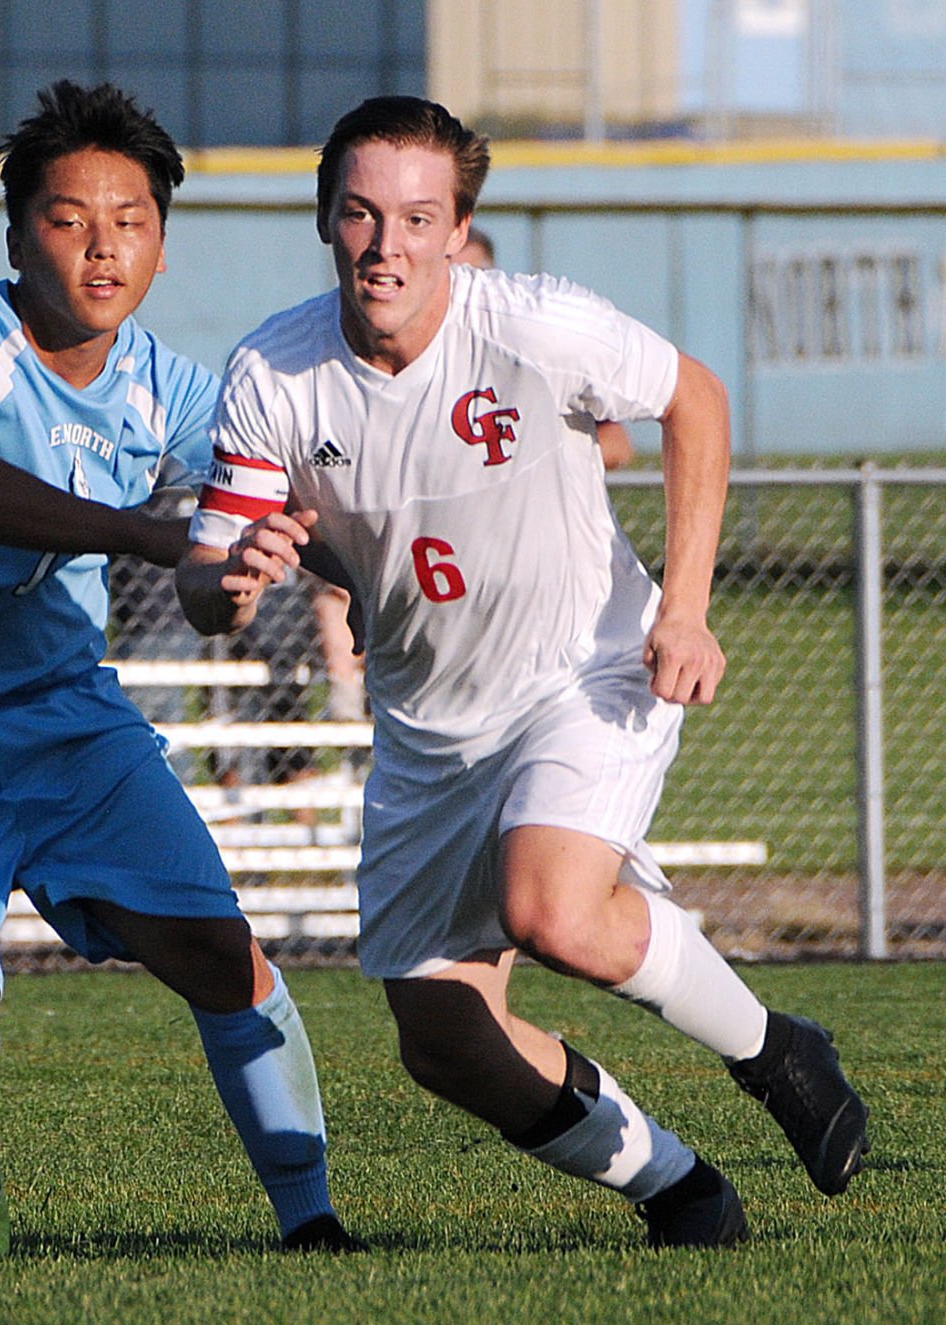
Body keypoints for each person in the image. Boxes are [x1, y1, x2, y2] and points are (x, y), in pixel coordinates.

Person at [177, 95, 869, 1248]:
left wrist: (686, 611)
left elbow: (695, 398)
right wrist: (231, 579)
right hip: (428, 731)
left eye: (416, 218)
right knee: (443, 1041)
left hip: (584, 672)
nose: (385, 245)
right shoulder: (273, 374)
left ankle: (773, 1051)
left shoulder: (535, 324)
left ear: (458, 230)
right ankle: (679, 1188)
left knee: (548, 905)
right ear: (325, 221)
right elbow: (208, 579)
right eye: (359, 214)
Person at [0, 80, 359, 1258]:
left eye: (132, 218)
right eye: (67, 217)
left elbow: (258, 518)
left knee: (224, 955)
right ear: (15, 238)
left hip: (65, 725)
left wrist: (256, 567)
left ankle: (312, 1227)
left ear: (162, 244)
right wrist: (154, 533)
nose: (102, 243)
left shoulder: (174, 388)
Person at [458, 225, 635, 473]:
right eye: (455, 274)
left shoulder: (533, 346)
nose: (467, 289)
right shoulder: (411, 359)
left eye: (478, 274)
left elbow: (617, 444)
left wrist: (532, 468)